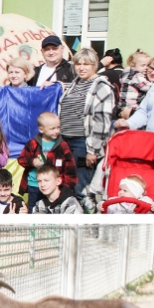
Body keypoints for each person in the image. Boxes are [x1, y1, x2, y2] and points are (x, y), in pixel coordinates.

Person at [58, 48, 114, 210]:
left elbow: (102, 121)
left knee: (81, 187)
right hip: (65, 140)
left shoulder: (101, 87)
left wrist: (93, 150)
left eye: (86, 64)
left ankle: (89, 226)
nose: (82, 68)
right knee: (67, 185)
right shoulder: (75, 84)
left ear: (94, 65)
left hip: (83, 143)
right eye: (78, 64)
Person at [17, 112, 77, 212]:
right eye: (52, 128)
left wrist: (66, 187)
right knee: (34, 210)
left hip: (53, 187)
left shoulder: (63, 145)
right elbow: (21, 159)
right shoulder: (33, 143)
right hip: (34, 185)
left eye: (58, 127)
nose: (56, 131)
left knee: (52, 210)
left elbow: (70, 168)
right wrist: (32, 161)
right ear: (41, 129)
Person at [116, 50, 152, 120]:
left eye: (148, 65)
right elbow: (145, 87)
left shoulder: (125, 73)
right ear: (133, 64)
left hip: (123, 105)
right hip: (132, 106)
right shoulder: (136, 75)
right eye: (143, 65)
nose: (146, 68)